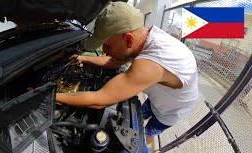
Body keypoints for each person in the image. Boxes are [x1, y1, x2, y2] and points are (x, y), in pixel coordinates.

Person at [56, 2, 198, 144]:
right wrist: (83, 58)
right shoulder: (144, 38)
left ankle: (145, 145)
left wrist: (52, 96)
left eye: (108, 45)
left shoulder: (151, 63)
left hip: (172, 109)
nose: (105, 50)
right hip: (160, 94)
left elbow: (99, 99)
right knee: (141, 114)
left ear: (128, 39)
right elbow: (114, 62)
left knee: (141, 136)